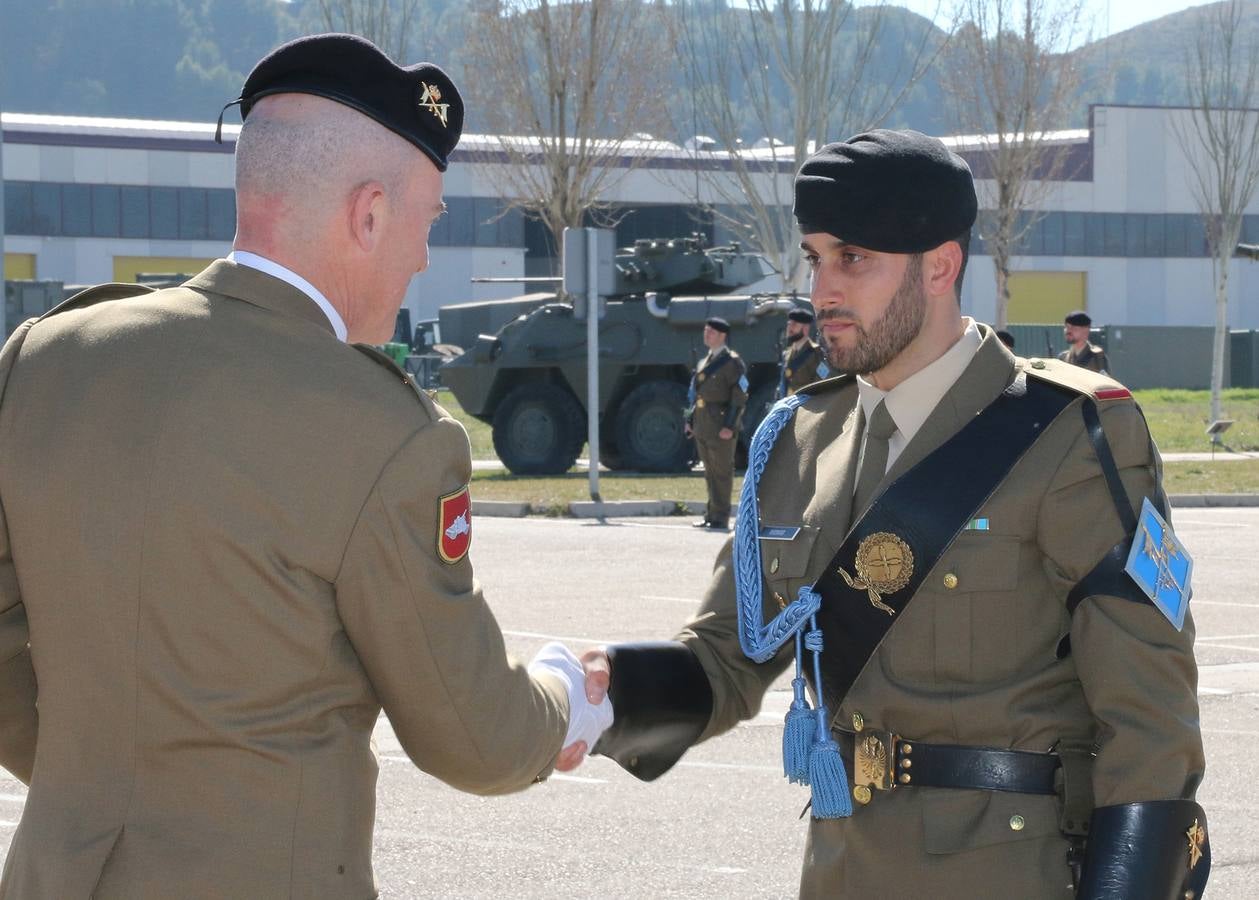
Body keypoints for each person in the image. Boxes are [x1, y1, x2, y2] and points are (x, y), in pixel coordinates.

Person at [0, 33, 609, 896]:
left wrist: (103, 782)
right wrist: (566, 697)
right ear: (366, 214)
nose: (423, 258)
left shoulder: (45, 359)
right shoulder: (382, 430)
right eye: (425, 222)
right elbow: (473, 738)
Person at [560, 130, 1209, 898]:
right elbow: (730, 657)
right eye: (815, 257)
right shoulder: (798, 438)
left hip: (1008, 874)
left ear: (939, 265)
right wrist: (613, 691)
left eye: (853, 258)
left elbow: (1150, 718)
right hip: (842, 869)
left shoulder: (1066, 432)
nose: (823, 288)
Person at [685, 317, 748, 530]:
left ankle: (721, 517)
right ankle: (711, 513)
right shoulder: (705, 362)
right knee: (709, 471)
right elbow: (695, 394)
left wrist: (730, 426)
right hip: (703, 423)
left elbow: (739, 397)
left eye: (711, 331)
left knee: (721, 472)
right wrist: (689, 420)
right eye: (706, 330)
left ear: (722, 335)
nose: (706, 334)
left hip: (721, 423)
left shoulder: (732, 362)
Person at [775, 307, 830, 399]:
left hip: (806, 408)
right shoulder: (787, 353)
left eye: (794, 325)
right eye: (789, 324)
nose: (789, 329)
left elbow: (821, 386)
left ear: (805, 329)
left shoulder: (817, 354)